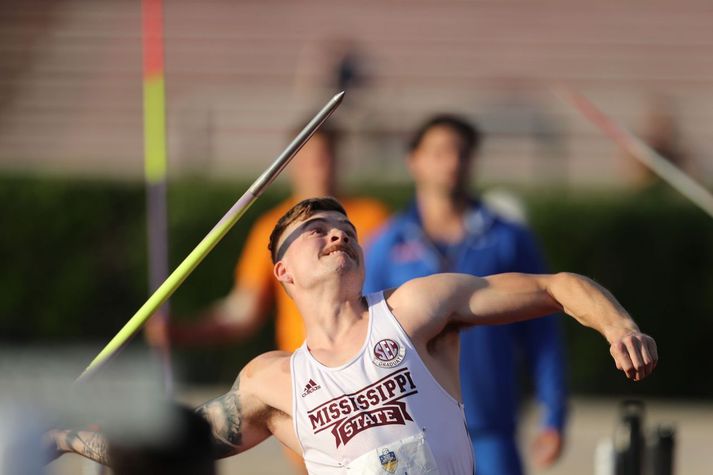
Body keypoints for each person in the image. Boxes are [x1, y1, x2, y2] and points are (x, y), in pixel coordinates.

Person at [51, 197, 658, 474]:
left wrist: (617, 324)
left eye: (346, 229)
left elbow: (555, 285)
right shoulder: (272, 380)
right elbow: (167, 447)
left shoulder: (416, 307)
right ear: (282, 271)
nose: (339, 235)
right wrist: (64, 436)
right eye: (318, 230)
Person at [145, 121, 389, 474]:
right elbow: (241, 312)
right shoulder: (275, 232)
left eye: (328, 154)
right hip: (307, 390)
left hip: (372, 379)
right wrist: (182, 331)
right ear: (291, 161)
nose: (320, 164)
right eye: (309, 155)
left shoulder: (373, 219)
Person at [363, 114, 566, 474]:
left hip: (491, 429)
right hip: (414, 437)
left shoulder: (507, 238)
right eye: (439, 152)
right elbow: (361, 336)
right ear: (415, 160)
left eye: (461, 153)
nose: (452, 162)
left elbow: (543, 335)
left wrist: (554, 413)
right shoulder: (386, 244)